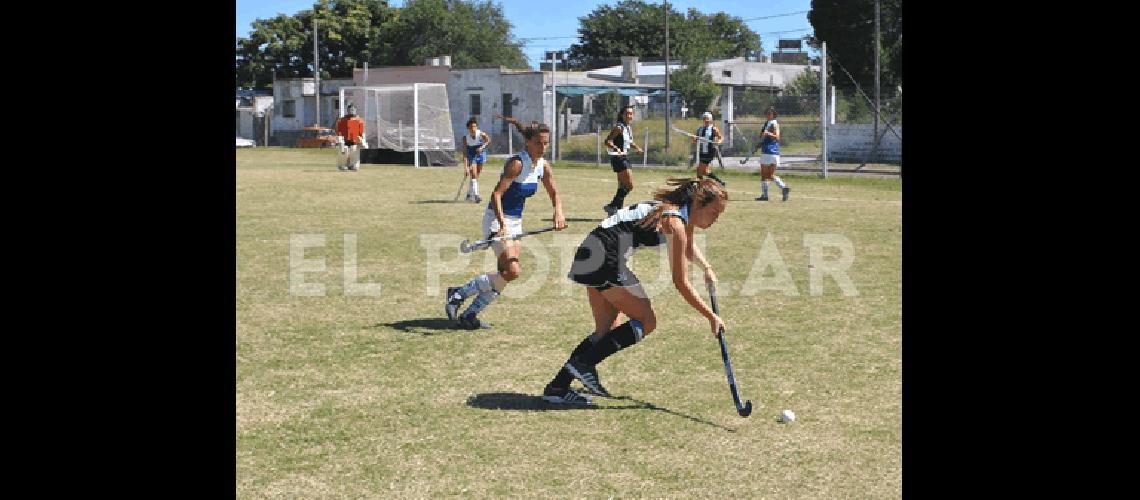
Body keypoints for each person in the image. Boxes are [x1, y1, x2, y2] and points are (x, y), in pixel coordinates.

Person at [540, 177, 728, 405]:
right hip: (604, 259)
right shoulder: (674, 221)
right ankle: (583, 365)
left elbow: (687, 245)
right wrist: (711, 316)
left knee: (607, 330)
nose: (716, 220)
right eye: (715, 213)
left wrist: (706, 267)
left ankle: (557, 388)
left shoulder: (676, 213)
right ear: (699, 204)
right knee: (647, 321)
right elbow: (681, 282)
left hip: (591, 255)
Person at [444, 118, 567, 330]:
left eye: (546, 143)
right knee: (514, 270)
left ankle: (470, 314)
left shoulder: (543, 167)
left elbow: (554, 192)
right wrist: (501, 224)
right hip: (496, 218)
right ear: (528, 142)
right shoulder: (517, 163)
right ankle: (459, 294)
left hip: (515, 222)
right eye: (539, 143)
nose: (543, 148)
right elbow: (497, 195)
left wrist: (559, 212)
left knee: (507, 274)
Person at [602, 106, 645, 216]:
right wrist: (616, 148)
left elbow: (629, 142)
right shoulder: (619, 127)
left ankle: (616, 210)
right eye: (627, 113)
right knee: (629, 185)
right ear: (622, 115)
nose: (629, 116)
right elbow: (608, 141)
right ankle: (612, 206)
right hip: (618, 158)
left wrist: (637, 148)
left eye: (631, 114)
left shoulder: (627, 127)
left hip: (624, 157)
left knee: (622, 186)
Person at [756, 107, 789, 201]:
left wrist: (768, 134)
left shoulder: (774, 124)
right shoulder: (767, 123)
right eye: (767, 113)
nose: (768, 115)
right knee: (769, 175)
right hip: (770, 151)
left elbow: (777, 137)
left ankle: (765, 195)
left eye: (770, 113)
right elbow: (762, 136)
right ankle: (783, 187)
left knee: (765, 175)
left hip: (769, 152)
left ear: (774, 114)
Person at [461, 118, 492, 203]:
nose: (473, 129)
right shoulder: (465, 138)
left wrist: (482, 147)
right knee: (473, 174)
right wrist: (466, 168)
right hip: (471, 154)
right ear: (468, 128)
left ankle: (469, 194)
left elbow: (488, 140)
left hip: (480, 154)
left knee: (476, 176)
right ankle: (476, 195)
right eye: (471, 127)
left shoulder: (481, 134)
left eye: (475, 126)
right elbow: (464, 154)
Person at [692, 111, 725, 183]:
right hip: (701, 151)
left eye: (707, 119)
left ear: (711, 120)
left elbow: (721, 137)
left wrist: (718, 142)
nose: (706, 121)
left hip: (709, 151)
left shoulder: (713, 129)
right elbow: (696, 140)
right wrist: (694, 139)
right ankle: (720, 182)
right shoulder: (700, 129)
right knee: (705, 171)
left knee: (699, 170)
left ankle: (699, 185)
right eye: (704, 119)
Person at [335, 103, 367, 172]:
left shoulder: (359, 120)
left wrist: (362, 140)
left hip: (354, 140)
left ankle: (354, 165)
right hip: (344, 140)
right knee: (344, 150)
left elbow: (361, 132)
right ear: (347, 110)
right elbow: (338, 130)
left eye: (353, 110)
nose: (351, 111)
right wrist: (339, 138)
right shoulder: (341, 120)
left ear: (356, 110)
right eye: (350, 110)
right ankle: (342, 165)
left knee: (354, 150)